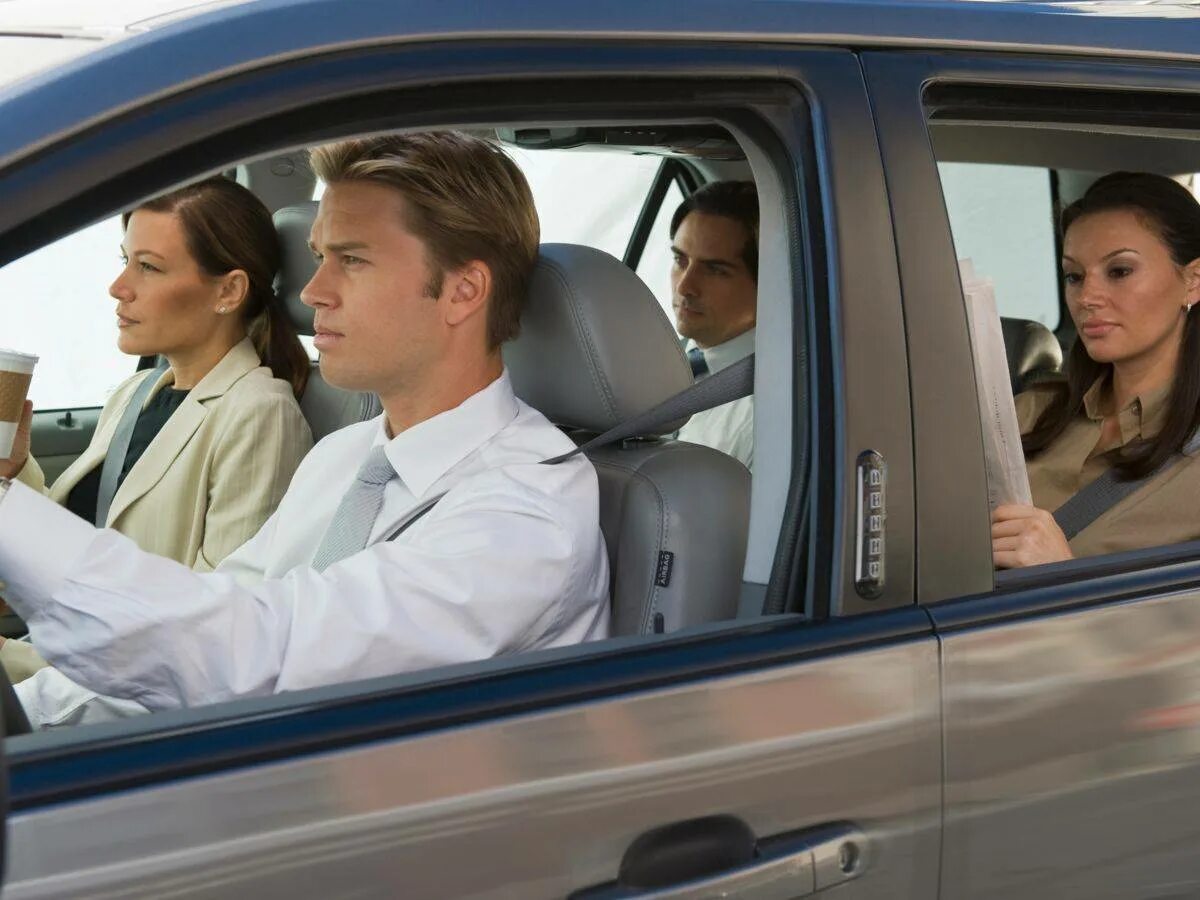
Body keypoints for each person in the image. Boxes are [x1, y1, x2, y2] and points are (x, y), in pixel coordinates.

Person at [1, 132, 610, 727]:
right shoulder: (345, 456)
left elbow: (257, 654)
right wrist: (28, 716)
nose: (313, 291)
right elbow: (217, 616)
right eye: (320, 258)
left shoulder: (526, 519)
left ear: (463, 290)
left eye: (352, 259)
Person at [0, 177, 313, 685]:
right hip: (60, 657)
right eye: (124, 260)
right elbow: (84, 544)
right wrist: (14, 472)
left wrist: (14, 660)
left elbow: (210, 641)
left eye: (148, 267)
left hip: (118, 694)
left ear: (229, 290)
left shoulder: (258, 414)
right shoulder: (137, 392)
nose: (119, 286)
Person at [993, 172, 1200, 568]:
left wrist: (1058, 573)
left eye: (1119, 271)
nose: (1086, 297)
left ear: (1193, 281)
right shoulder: (1029, 413)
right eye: (1074, 276)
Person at [668, 180, 758, 470]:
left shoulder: (763, 416)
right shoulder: (656, 366)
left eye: (715, 270)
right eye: (680, 259)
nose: (685, 286)